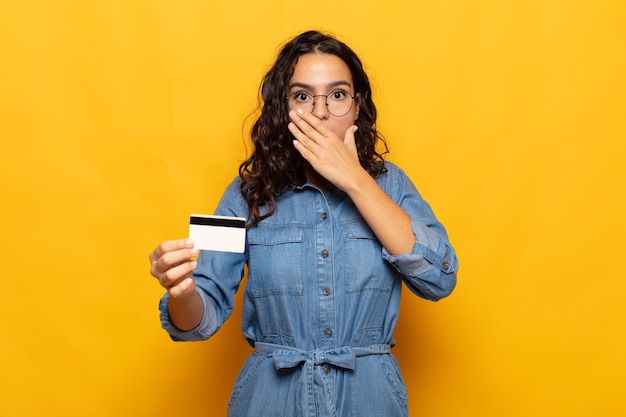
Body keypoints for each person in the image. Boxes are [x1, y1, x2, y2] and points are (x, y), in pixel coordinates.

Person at [149, 30, 458, 417]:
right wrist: (181, 291)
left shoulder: (391, 185)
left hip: (371, 400)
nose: (321, 111)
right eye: (302, 96)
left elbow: (440, 278)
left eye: (338, 94)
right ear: (284, 109)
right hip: (269, 401)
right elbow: (198, 320)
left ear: (357, 105)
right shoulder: (244, 193)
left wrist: (356, 180)